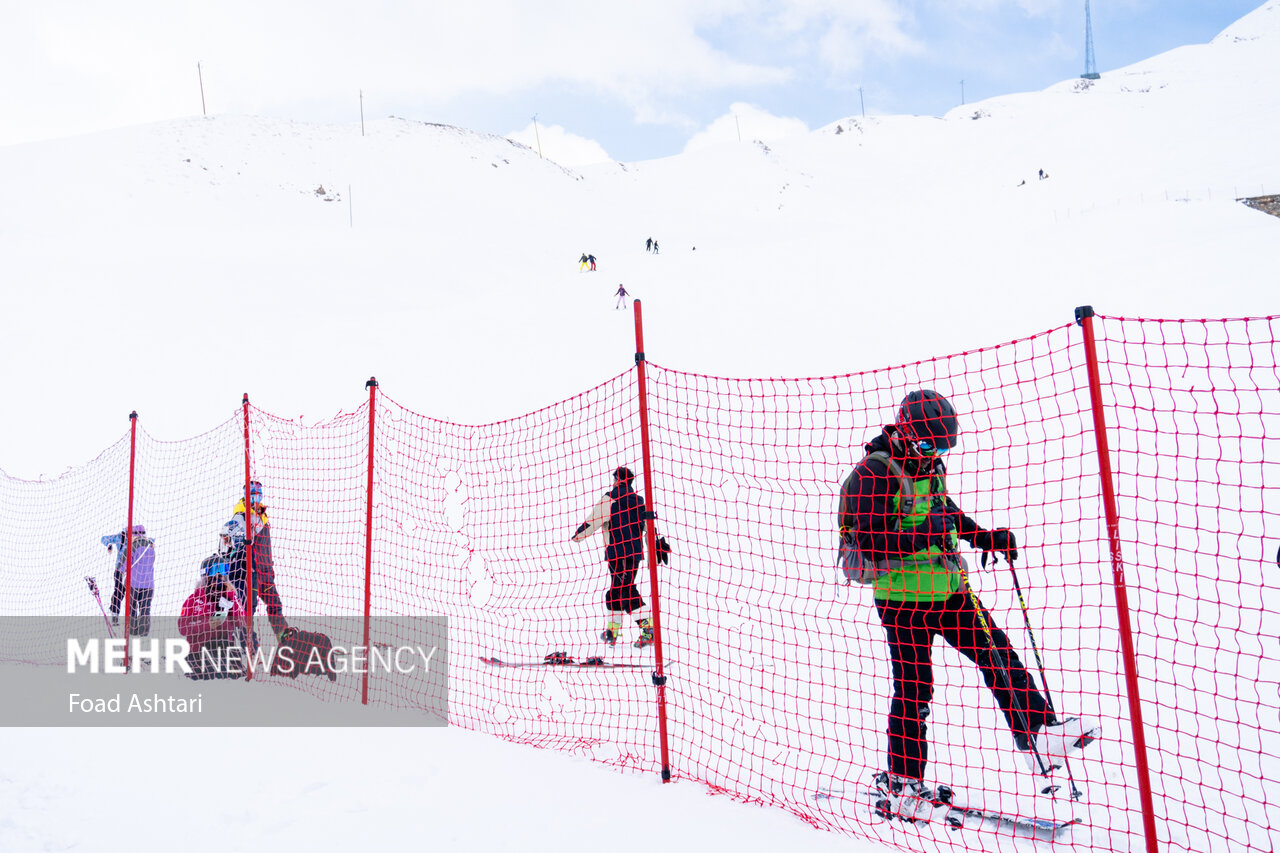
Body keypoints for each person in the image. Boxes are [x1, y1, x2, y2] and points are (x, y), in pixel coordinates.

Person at [838, 389, 1099, 821]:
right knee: (915, 690)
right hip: (902, 601)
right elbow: (869, 540)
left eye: (942, 447)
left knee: (998, 652)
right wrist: (925, 535)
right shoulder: (872, 475)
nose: (934, 454)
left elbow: (947, 513)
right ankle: (904, 783)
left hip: (949, 588)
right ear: (904, 432)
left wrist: (984, 536)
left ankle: (1038, 731)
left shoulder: (930, 466)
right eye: (927, 445)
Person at [571, 467, 662, 649]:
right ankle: (612, 632)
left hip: (617, 553)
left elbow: (593, 520)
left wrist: (577, 536)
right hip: (635, 554)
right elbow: (647, 526)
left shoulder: (610, 498)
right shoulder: (639, 501)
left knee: (625, 591)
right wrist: (656, 543)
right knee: (615, 592)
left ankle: (648, 629)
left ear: (617, 480)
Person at [227, 480, 290, 641]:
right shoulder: (241, 517)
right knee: (249, 609)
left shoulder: (262, 517)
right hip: (250, 573)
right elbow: (229, 543)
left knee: (275, 604)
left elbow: (265, 548)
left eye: (258, 497)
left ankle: (284, 638)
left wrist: (269, 568)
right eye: (251, 498)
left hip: (265, 573)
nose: (255, 502)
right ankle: (247, 646)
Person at [179, 562, 248, 679]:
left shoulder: (229, 597)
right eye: (213, 573)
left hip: (224, 647)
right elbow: (183, 627)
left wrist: (232, 597)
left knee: (231, 672)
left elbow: (242, 621)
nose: (217, 577)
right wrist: (208, 624)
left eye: (221, 573)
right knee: (207, 673)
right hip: (199, 648)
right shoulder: (193, 599)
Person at [99, 524, 156, 635]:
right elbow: (105, 539)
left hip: (131, 573)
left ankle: (135, 629)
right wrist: (109, 544)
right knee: (119, 592)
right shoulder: (120, 537)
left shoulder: (138, 544)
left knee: (133, 602)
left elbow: (149, 541)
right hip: (121, 571)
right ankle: (115, 613)